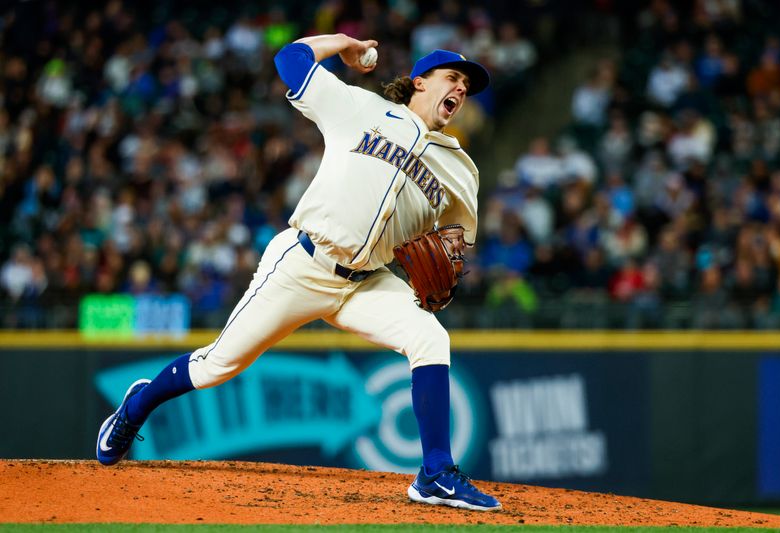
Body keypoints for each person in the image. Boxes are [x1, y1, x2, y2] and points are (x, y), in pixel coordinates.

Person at [95, 33, 500, 512]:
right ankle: (137, 406)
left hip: (368, 282)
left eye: (467, 86)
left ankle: (435, 473)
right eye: (453, 77)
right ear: (419, 82)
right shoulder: (361, 109)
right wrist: (344, 43)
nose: (460, 89)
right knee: (219, 365)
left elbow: (456, 242)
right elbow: (290, 59)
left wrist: (446, 273)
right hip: (304, 264)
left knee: (431, 338)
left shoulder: (460, 168)